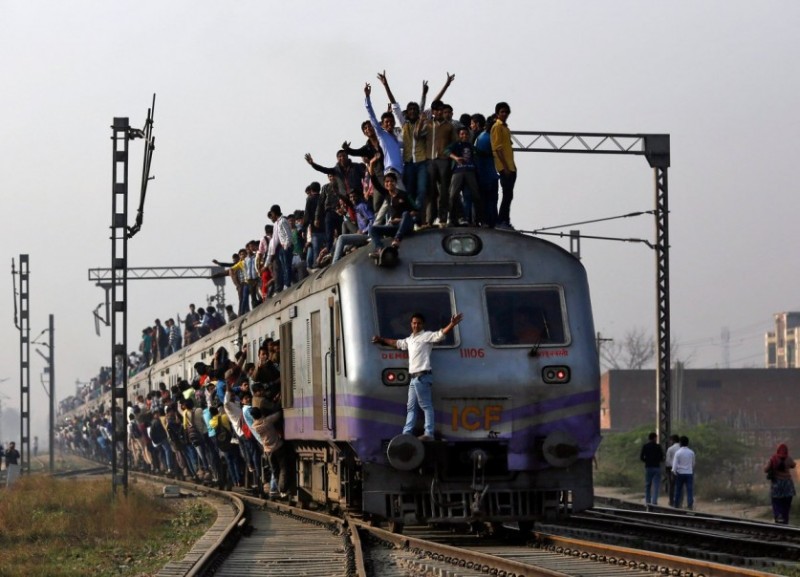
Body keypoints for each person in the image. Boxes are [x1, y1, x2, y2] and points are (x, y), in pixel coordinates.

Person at [371, 311, 464, 441]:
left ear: (422, 324)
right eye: (414, 323)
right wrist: (381, 340)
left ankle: (429, 433)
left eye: (419, 323)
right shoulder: (410, 339)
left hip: (422, 376)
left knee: (426, 405)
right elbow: (397, 343)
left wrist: (452, 324)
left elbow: (440, 334)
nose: (416, 325)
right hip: (413, 378)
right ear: (411, 324)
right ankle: (407, 433)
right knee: (411, 407)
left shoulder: (426, 336)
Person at [490, 101, 517, 230]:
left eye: (506, 112)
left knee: (509, 195)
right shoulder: (497, 127)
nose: (504, 114)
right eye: (502, 112)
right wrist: (505, 167)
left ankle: (505, 219)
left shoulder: (506, 127)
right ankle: (501, 220)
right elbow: (497, 148)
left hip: (511, 166)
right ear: (497, 113)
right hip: (504, 166)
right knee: (506, 194)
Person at [765, 443, 796, 524]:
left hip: (777, 484)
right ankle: (785, 520)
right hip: (787, 485)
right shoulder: (789, 458)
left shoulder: (773, 459)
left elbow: (766, 469)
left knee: (776, 502)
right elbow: (793, 465)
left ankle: (778, 516)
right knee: (786, 504)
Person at [640, 432, 664, 507]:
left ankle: (648, 501)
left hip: (648, 467)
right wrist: (658, 461)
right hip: (657, 467)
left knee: (648, 485)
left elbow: (641, 457)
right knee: (656, 485)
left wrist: (646, 461)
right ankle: (654, 501)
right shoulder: (658, 446)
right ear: (654, 438)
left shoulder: (645, 446)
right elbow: (662, 457)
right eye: (656, 438)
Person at [672, 435, 695, 509]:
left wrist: (674, 472)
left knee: (678, 490)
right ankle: (690, 505)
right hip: (689, 473)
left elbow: (674, 465)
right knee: (689, 490)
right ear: (688, 443)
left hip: (680, 474)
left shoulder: (678, 452)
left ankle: (676, 505)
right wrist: (690, 469)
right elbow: (693, 463)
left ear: (680, 443)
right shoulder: (691, 452)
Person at [664, 434, 681, 506]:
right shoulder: (681, 448)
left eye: (671, 440)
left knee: (672, 486)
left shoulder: (670, 449)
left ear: (673, 440)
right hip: (681, 469)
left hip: (671, 469)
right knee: (680, 486)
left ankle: (671, 501)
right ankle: (679, 501)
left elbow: (667, 461)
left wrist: (667, 469)